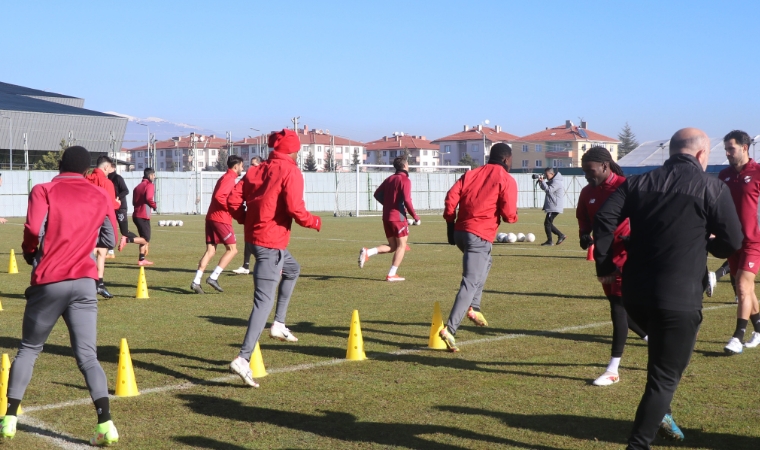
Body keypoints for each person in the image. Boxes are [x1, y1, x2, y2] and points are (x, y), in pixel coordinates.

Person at [593, 128, 742, 449]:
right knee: (663, 379)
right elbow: (733, 241)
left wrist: (605, 265)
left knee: (660, 362)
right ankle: (639, 444)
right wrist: (705, 240)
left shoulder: (638, 182)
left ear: (670, 153)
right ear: (703, 155)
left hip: (635, 294)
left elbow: (604, 217)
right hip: (678, 297)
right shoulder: (711, 187)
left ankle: (661, 412)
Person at [0, 146, 120, 445]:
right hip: (84, 281)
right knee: (88, 357)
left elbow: (32, 228)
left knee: (29, 349)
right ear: (87, 170)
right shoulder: (99, 194)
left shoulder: (44, 190)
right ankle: (106, 423)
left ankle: (10, 417)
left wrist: (31, 253)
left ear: (59, 165)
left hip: (51, 279)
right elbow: (112, 238)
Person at [227, 129, 322, 387]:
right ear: (294, 149)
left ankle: (279, 324)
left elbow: (233, 199)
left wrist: (246, 220)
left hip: (258, 240)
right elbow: (295, 207)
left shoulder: (258, 169)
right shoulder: (290, 170)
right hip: (271, 244)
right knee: (262, 302)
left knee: (292, 269)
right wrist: (313, 221)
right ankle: (243, 358)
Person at [576, 147, 648, 386]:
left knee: (618, 306)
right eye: (584, 170)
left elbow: (645, 216)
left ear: (605, 166)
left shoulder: (625, 187)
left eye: (590, 170)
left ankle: (613, 369)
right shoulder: (587, 192)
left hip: (627, 255)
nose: (587, 174)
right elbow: (584, 217)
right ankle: (649, 334)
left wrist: (637, 238)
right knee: (619, 304)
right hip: (604, 256)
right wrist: (584, 234)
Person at [439, 143, 518, 352]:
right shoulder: (506, 179)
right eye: (511, 160)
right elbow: (509, 215)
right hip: (479, 235)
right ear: (506, 159)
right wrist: (511, 216)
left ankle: (474, 308)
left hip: (460, 233)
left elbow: (451, 197)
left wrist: (450, 223)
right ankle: (450, 329)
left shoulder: (471, 174)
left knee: (487, 262)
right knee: (470, 281)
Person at [718, 130, 760, 353]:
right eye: (726, 148)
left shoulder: (758, 172)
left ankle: (737, 337)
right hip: (732, 241)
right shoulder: (723, 175)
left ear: (745, 147)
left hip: (755, 241)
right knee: (746, 289)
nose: (727, 153)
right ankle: (759, 329)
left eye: (731, 148)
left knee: (743, 286)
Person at [358, 156, 420, 281]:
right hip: (397, 217)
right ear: (404, 165)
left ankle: (367, 252)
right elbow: (407, 200)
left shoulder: (390, 179)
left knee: (393, 246)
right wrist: (416, 217)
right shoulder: (405, 180)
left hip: (387, 216)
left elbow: (377, 194)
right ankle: (391, 274)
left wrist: (388, 205)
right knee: (401, 246)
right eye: (408, 163)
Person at [191, 155, 245, 293]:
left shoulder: (225, 177)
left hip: (211, 217)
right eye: (242, 166)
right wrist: (231, 208)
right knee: (233, 249)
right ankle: (213, 277)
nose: (242, 168)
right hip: (220, 219)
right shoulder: (229, 179)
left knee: (211, 250)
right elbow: (219, 197)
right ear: (236, 166)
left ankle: (196, 281)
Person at [85, 155, 121, 299]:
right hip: (101, 218)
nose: (109, 172)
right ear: (106, 167)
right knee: (103, 247)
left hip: (86, 218)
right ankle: (94, 283)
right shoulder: (106, 183)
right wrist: (117, 203)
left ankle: (98, 283)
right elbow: (110, 204)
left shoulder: (86, 179)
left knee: (99, 249)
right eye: (109, 169)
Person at [108, 162, 148, 257]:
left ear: (113, 168)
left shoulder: (118, 178)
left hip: (121, 208)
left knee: (124, 232)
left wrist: (117, 197)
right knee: (109, 228)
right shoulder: (108, 179)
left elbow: (126, 190)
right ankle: (110, 251)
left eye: (108, 167)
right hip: (111, 207)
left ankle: (143, 242)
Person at [233, 156, 263, 275]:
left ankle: (275, 264)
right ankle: (246, 265)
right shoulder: (249, 179)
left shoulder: (264, 178)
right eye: (251, 165)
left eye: (254, 165)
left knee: (263, 239)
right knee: (249, 238)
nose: (251, 167)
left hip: (262, 214)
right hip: (251, 213)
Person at [132, 168, 157, 266]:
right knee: (146, 238)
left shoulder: (137, 187)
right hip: (143, 215)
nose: (154, 177)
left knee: (144, 238)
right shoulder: (149, 185)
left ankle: (141, 259)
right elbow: (148, 198)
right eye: (154, 175)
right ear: (150, 175)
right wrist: (154, 205)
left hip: (136, 214)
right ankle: (127, 239)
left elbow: (133, 202)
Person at [537, 167, 566, 246]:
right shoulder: (553, 181)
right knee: (548, 223)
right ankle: (560, 235)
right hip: (553, 205)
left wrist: (543, 182)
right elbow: (545, 187)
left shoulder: (556, 182)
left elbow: (549, 190)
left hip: (554, 206)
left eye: (547, 175)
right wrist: (541, 182)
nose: (546, 176)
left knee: (547, 223)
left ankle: (550, 241)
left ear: (552, 174)